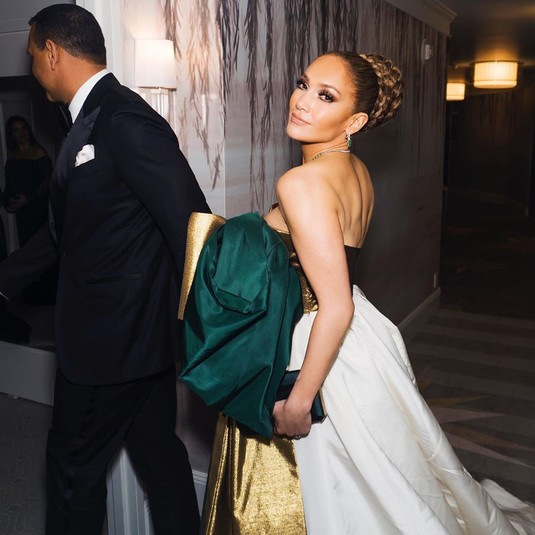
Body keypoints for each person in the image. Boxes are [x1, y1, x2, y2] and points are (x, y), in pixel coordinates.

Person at [183, 52, 535, 533]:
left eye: (325, 96)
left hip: (309, 340)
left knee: (304, 494)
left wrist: (299, 401)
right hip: (359, 336)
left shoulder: (301, 183)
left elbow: (335, 304)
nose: (302, 101)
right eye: (303, 84)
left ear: (355, 121)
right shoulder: (356, 171)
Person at [0, 4, 210, 534]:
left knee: (72, 471)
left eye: (32, 55)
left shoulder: (124, 119)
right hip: (131, 341)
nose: (32, 67)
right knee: (159, 455)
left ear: (52, 53)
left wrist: (212, 331)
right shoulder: (84, 122)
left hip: (111, 343)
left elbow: (191, 226)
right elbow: (63, 232)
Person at [3, 115, 52, 246]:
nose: (21, 133)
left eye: (23, 128)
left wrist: (29, 198)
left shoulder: (38, 151)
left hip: (38, 207)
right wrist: (9, 200)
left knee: (40, 245)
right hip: (22, 210)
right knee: (26, 245)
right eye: (16, 130)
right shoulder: (12, 154)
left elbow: (48, 181)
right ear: (11, 134)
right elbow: (10, 180)